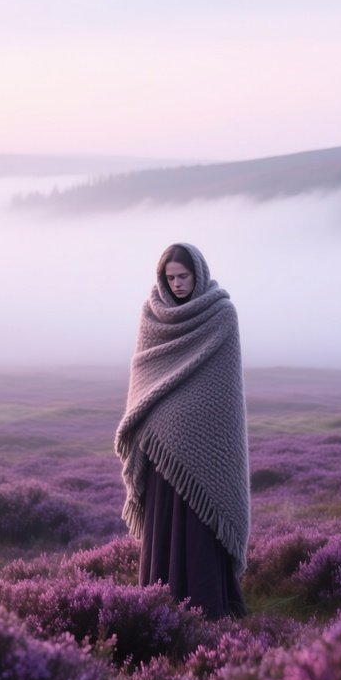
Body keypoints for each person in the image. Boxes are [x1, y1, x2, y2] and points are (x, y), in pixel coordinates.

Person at [115, 243, 250, 618]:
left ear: (198, 274)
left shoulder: (221, 314)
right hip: (161, 452)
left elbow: (223, 391)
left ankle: (208, 610)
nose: (176, 284)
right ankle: (161, 610)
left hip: (205, 451)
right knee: (164, 530)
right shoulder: (152, 314)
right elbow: (144, 376)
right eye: (170, 277)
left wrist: (193, 416)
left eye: (183, 276)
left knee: (200, 529)